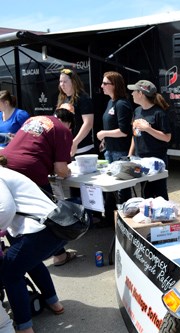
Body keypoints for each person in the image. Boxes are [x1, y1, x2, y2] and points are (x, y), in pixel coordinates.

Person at [1, 105, 77, 266]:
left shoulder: (34, 119)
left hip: (5, 164)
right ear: (69, 124)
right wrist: (68, 172)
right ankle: (44, 255)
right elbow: (61, 170)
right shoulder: (63, 131)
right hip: (31, 170)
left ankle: (23, 252)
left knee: (17, 212)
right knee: (52, 215)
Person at [0, 155, 66, 333]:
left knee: (10, 274)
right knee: (32, 262)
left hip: (37, 230)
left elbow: (6, 210)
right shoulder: (7, 172)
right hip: (53, 227)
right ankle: (54, 303)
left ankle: (24, 328)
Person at [96, 71, 133, 224]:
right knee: (110, 186)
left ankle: (125, 221)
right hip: (109, 150)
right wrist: (105, 139)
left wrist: (104, 133)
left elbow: (124, 132)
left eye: (105, 83)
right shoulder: (110, 102)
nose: (102, 86)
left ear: (114, 85)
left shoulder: (122, 104)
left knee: (122, 188)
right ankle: (111, 218)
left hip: (120, 152)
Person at [127, 80, 171, 199]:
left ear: (141, 94)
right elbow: (135, 134)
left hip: (157, 160)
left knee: (159, 192)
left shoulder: (159, 113)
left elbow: (167, 138)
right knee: (146, 192)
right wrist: (130, 155)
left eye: (134, 91)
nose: (131, 94)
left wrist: (148, 129)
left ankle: (163, 215)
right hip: (140, 159)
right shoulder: (137, 111)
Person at [57, 68, 94, 156]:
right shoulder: (62, 98)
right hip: (66, 148)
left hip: (82, 149)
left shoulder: (83, 98)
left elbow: (88, 123)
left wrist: (74, 142)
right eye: (60, 81)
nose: (62, 84)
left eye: (65, 81)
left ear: (73, 82)